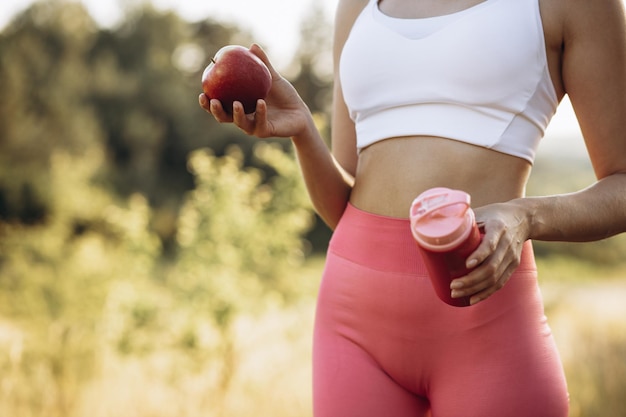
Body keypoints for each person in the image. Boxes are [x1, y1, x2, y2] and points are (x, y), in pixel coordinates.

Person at [199, 0, 626, 415]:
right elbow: (343, 208)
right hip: (353, 326)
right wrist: (304, 132)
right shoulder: (357, 7)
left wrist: (525, 216)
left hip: (485, 319)